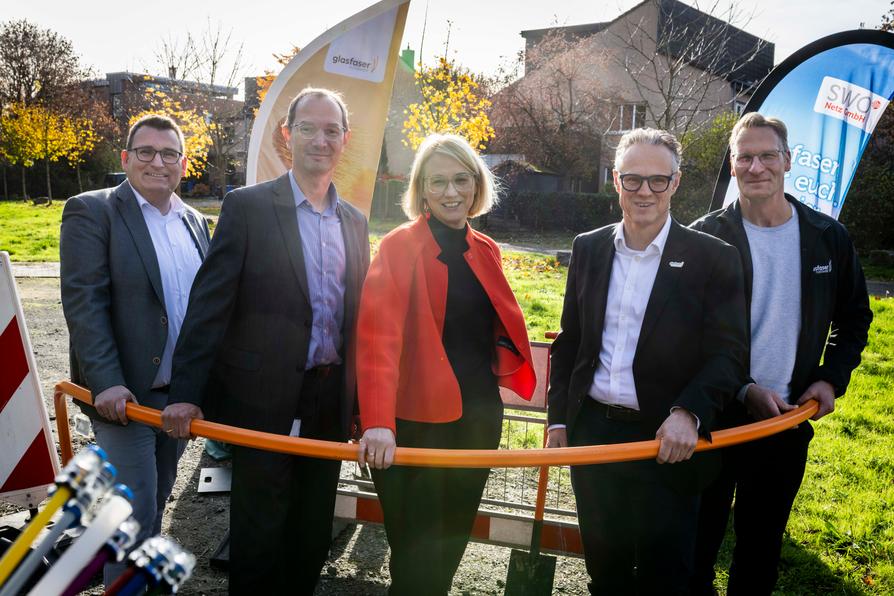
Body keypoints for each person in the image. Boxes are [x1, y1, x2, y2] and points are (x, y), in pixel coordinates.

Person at [161, 88, 370, 595]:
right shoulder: (248, 207)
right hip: (261, 403)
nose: (320, 140)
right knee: (257, 536)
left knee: (310, 533)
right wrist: (186, 391)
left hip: (327, 403)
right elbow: (209, 307)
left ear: (345, 140)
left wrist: (364, 405)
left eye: (331, 130)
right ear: (287, 135)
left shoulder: (355, 222)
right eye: (308, 128)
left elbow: (357, 321)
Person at [546, 127, 749, 595]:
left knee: (666, 575)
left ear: (675, 183)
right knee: (605, 569)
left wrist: (688, 412)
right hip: (594, 436)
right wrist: (560, 420)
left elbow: (730, 354)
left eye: (658, 180)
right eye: (633, 179)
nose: (645, 191)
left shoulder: (713, 258)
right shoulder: (589, 247)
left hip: (668, 440)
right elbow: (571, 341)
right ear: (615, 180)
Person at [690, 113, 873, 595]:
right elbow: (685, 334)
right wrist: (743, 389)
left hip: (784, 423)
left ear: (788, 160)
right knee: (695, 549)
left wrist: (831, 378)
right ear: (732, 166)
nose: (756, 167)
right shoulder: (705, 237)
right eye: (744, 157)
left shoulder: (826, 237)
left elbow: (855, 318)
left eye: (767, 155)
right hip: (712, 420)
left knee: (760, 549)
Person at [357, 133, 536, 595]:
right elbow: (377, 340)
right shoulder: (399, 246)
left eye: (461, 180)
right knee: (416, 556)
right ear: (421, 188)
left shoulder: (487, 248)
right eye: (438, 182)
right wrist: (377, 422)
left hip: (476, 421)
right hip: (411, 424)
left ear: (477, 186)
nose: (451, 192)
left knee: (451, 545)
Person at [60, 114, 210, 584]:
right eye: (145, 151)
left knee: (158, 497)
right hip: (125, 398)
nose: (157, 162)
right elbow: (86, 303)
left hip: (178, 398)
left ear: (183, 164)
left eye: (168, 153)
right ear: (126, 159)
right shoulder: (92, 211)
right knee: (135, 510)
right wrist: (105, 381)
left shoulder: (196, 223)